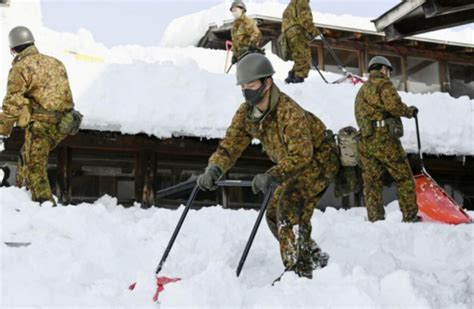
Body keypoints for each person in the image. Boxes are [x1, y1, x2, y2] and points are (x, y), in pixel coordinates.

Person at [197, 53, 340, 278]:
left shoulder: (288, 113)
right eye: (243, 86)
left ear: (267, 83)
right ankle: (312, 256)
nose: (247, 91)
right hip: (291, 163)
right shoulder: (246, 114)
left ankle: (298, 274)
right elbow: (230, 145)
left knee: (289, 208)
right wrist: (214, 168)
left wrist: (272, 175)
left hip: (319, 160)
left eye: (251, 85)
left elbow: (302, 155)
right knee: (273, 212)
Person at [1, 26, 76, 204]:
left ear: (12, 49)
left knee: (35, 169)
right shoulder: (56, 62)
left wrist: (2, 131)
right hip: (64, 124)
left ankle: (45, 207)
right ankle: (22, 198)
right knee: (25, 156)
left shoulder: (21, 67)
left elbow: (12, 104)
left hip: (41, 125)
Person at [355, 56, 420, 223]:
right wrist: (409, 111)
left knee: (371, 181)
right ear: (383, 69)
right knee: (403, 176)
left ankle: (375, 218)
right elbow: (393, 106)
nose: (388, 74)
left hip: (365, 140)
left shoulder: (362, 91)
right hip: (383, 139)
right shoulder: (384, 84)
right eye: (388, 71)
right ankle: (409, 215)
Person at [281, 0, 320, 83]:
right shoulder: (302, 2)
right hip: (297, 33)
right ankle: (298, 79)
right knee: (304, 57)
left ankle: (291, 76)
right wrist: (313, 31)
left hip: (288, 34)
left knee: (298, 56)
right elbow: (305, 19)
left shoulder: (292, 4)